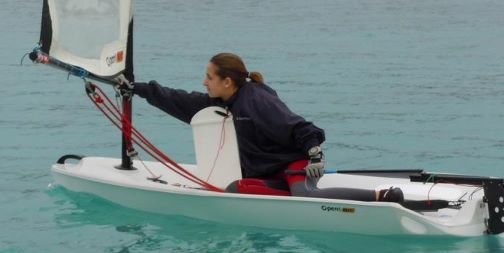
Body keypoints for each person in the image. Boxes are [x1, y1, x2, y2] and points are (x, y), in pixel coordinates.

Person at [125, 52, 403, 202]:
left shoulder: (256, 101)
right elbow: (177, 99)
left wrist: (315, 154)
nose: (204, 82)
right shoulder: (225, 103)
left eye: (209, 77)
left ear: (227, 82)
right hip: (270, 171)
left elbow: (299, 126)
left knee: (304, 196)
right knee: (236, 188)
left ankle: (382, 197)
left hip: (294, 163)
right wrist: (133, 88)